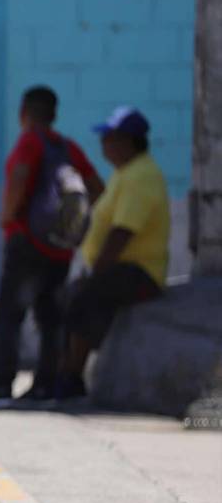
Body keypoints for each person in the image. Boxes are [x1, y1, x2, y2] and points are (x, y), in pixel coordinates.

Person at [0, 86, 103, 408]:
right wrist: (72, 224)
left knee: (10, 315)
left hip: (26, 242)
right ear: (54, 114)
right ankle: (45, 387)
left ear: (23, 112)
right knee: (50, 319)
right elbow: (97, 188)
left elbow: (20, 175)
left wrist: (8, 214)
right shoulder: (68, 147)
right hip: (59, 247)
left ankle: (1, 387)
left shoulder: (29, 141)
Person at [57, 107, 169, 399]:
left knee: (87, 296)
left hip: (140, 271)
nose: (104, 144)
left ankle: (72, 376)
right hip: (121, 267)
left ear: (128, 141)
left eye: (110, 138)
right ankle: (62, 373)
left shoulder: (141, 176)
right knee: (70, 296)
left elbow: (122, 230)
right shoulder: (126, 173)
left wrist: (99, 268)